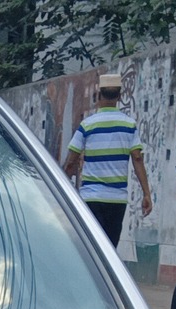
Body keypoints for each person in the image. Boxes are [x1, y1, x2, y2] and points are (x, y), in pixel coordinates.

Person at [62, 74, 152, 249]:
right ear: (119, 96)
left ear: (99, 95)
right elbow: (137, 158)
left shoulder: (87, 125)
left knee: (92, 248)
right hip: (116, 200)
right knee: (110, 249)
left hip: (90, 197)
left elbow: (71, 162)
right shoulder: (129, 125)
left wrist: (63, 187)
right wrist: (146, 193)